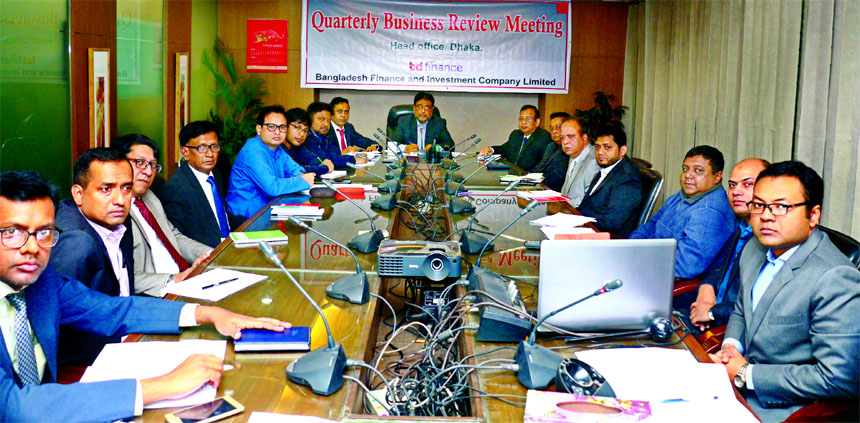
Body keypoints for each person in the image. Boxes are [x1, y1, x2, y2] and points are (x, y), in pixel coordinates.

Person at [0, 170, 292, 423]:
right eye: (12, 232)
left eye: (44, 232)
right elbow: (15, 408)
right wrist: (165, 384)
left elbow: (113, 311)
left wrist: (206, 313)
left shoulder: (42, 281)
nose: (32, 247)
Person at [711, 161, 860, 421]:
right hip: (730, 388)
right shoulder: (754, 249)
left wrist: (746, 374)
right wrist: (730, 348)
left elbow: (839, 379)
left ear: (813, 215)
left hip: (787, 409)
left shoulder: (836, 277)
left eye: (781, 207)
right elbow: (741, 310)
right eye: (758, 205)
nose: (766, 216)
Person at [49, 148, 135, 365]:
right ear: (79, 194)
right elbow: (63, 336)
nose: (120, 200)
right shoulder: (74, 244)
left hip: (126, 338)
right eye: (106, 189)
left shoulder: (118, 220)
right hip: (88, 365)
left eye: (127, 188)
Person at [112, 134, 212, 297]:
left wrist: (211, 255)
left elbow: (174, 236)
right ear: (118, 163)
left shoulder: (150, 197)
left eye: (152, 165)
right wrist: (175, 279)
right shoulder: (114, 211)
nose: (148, 171)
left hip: (187, 279)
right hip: (158, 293)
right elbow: (123, 277)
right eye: (139, 163)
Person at [683, 158, 769, 334]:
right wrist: (706, 288)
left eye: (747, 184)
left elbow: (761, 304)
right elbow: (721, 267)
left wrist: (712, 313)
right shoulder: (742, 226)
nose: (736, 191)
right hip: (708, 316)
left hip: (730, 332)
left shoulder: (769, 237)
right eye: (732, 185)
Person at [629, 145, 735, 279]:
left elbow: (685, 266)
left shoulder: (709, 212)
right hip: (649, 265)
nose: (688, 176)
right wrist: (631, 248)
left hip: (669, 283)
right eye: (685, 169)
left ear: (717, 177)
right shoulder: (684, 195)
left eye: (698, 171)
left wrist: (638, 259)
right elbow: (651, 225)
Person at [157, 121, 244, 249]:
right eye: (201, 148)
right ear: (185, 152)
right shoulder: (174, 189)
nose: (210, 154)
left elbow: (219, 214)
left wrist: (253, 227)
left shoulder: (216, 174)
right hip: (206, 253)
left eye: (214, 146)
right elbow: (180, 238)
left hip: (229, 244)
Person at [226, 105, 315, 218]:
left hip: (270, 209)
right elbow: (272, 188)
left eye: (282, 127)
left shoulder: (277, 149)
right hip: (248, 218)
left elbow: (297, 169)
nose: (277, 132)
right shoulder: (253, 152)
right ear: (259, 129)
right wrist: (302, 181)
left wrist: (300, 177)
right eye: (271, 127)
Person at [575, 123, 641, 236]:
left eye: (607, 147)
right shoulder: (607, 168)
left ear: (623, 150)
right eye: (597, 147)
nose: (600, 152)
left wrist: (577, 223)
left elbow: (611, 224)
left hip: (605, 240)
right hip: (588, 229)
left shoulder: (628, 179)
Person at [479, 105, 551, 172]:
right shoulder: (516, 134)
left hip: (529, 180)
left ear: (537, 122)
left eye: (528, 119)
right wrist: (490, 150)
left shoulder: (543, 137)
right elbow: (505, 149)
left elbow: (543, 164)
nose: (523, 122)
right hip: (512, 175)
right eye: (521, 119)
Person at [297, 102, 365, 169]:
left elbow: (334, 154)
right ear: (310, 119)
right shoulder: (305, 137)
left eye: (328, 121)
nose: (326, 124)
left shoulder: (325, 137)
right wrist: (354, 159)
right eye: (321, 119)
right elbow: (323, 158)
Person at [557, 117, 599, 207]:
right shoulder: (574, 154)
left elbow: (588, 200)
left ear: (584, 139)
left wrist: (559, 206)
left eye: (571, 136)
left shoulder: (594, 161)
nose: (565, 142)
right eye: (562, 137)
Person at [280, 107, 333, 177]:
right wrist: (325, 168)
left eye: (305, 130)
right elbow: (295, 171)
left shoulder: (297, 148)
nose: (301, 134)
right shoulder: (278, 149)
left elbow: (315, 161)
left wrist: (322, 165)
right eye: (298, 128)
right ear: (285, 126)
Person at [531, 112, 571, 191]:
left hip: (555, 192)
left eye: (558, 127)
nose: (554, 131)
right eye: (552, 128)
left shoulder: (568, 149)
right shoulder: (551, 146)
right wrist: (527, 177)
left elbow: (557, 177)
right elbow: (539, 167)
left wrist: (534, 181)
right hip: (540, 186)